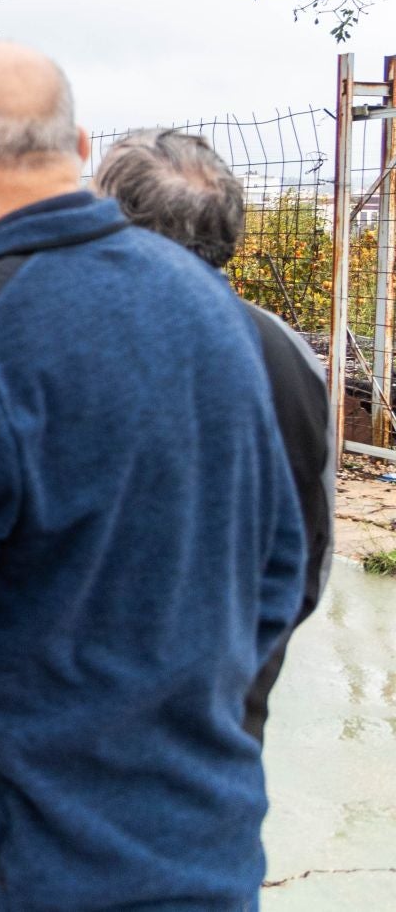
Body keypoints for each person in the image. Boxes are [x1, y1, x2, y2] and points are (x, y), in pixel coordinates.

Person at [0, 40, 305, 911]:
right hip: (211, 851)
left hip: (30, 875)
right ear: (80, 152)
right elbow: (278, 573)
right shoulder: (215, 311)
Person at [95, 128, 333, 741]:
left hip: (80, 735)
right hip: (225, 715)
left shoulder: (74, 345)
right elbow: (312, 556)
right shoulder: (291, 354)